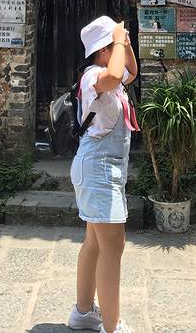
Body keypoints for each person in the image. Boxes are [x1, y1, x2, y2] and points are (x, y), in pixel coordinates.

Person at [68, 16, 138, 333]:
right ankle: (112, 326)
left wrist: (124, 42)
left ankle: (83, 313)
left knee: (95, 243)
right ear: (103, 50)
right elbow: (113, 76)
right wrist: (119, 40)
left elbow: (130, 73)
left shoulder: (111, 75)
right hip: (98, 168)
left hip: (104, 168)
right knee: (113, 246)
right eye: (114, 45)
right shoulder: (93, 75)